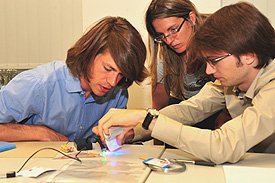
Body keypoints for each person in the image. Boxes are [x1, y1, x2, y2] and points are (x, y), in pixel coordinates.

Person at [94, 2, 275, 164]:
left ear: (248, 56)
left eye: (214, 61)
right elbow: (188, 110)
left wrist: (145, 118)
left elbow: (224, 145)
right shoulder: (230, 83)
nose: (208, 71)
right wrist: (136, 129)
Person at [0, 16, 148, 142]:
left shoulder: (118, 92)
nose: (113, 82)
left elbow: (113, 140)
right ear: (89, 54)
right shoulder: (38, 84)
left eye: (122, 74)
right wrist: (40, 133)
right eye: (108, 69)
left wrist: (120, 136)